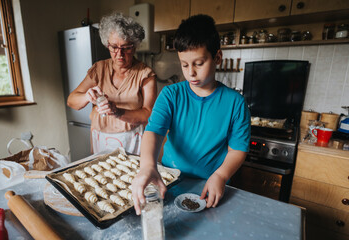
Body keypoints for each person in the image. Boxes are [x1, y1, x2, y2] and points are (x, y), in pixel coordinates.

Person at [132, 14, 251, 214]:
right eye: (185, 65)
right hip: (171, 180)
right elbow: (154, 132)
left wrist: (221, 176)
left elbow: (238, 149)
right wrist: (147, 165)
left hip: (211, 185)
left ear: (218, 58)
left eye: (199, 63)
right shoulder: (171, 95)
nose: (191, 73)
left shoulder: (235, 103)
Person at [67, 12, 157, 155]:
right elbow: (72, 101)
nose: (119, 54)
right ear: (107, 44)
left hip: (132, 139)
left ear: (134, 46)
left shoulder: (145, 73)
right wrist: (87, 97)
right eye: (114, 47)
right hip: (100, 137)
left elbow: (148, 114)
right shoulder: (99, 69)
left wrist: (117, 112)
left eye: (126, 48)